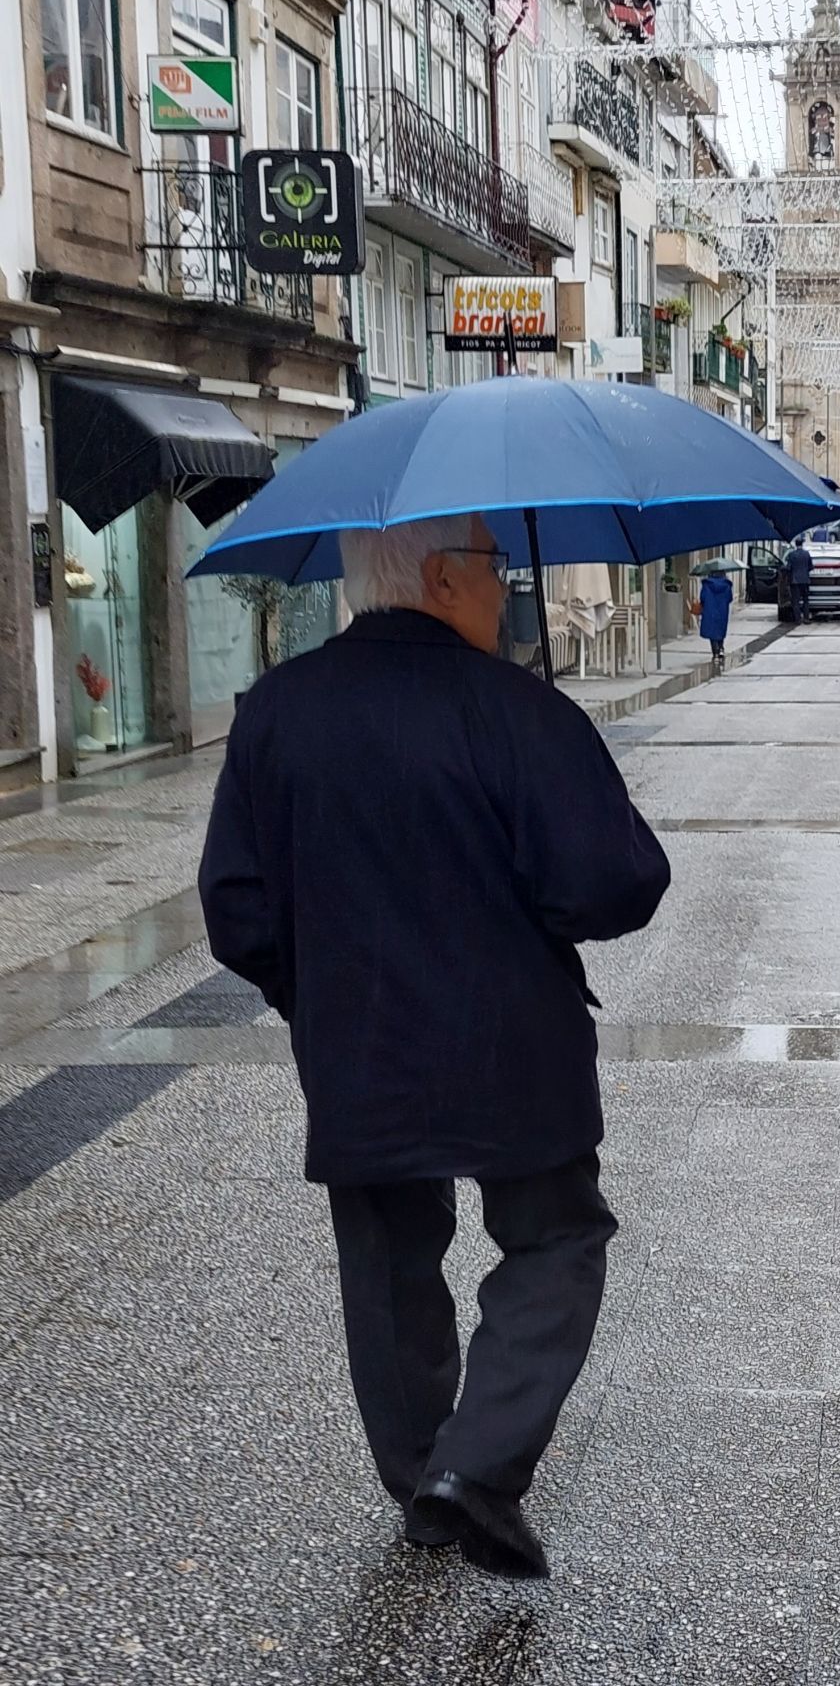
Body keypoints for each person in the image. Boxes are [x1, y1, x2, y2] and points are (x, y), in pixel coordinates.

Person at [198, 515, 670, 1580]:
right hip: (516, 1041)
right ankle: (476, 1465)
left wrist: (311, 992)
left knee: (386, 1257)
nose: (503, 590)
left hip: (356, 1041)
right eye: (496, 570)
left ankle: (423, 1477)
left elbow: (236, 907)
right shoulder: (517, 709)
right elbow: (617, 884)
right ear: (448, 579)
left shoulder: (276, 712)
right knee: (554, 1237)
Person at [697, 568, 733, 671]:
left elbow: (702, 598)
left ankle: (715, 652)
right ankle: (721, 647)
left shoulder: (707, 584)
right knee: (720, 629)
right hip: (722, 610)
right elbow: (730, 598)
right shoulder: (727, 585)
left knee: (712, 630)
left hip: (710, 610)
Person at [784, 540, 814, 623]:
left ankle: (797, 619)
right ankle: (806, 618)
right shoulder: (807, 554)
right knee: (806, 600)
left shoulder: (792, 554)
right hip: (805, 581)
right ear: (802, 544)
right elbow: (811, 567)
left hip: (795, 581)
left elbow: (788, 568)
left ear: (795, 544)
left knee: (796, 600)